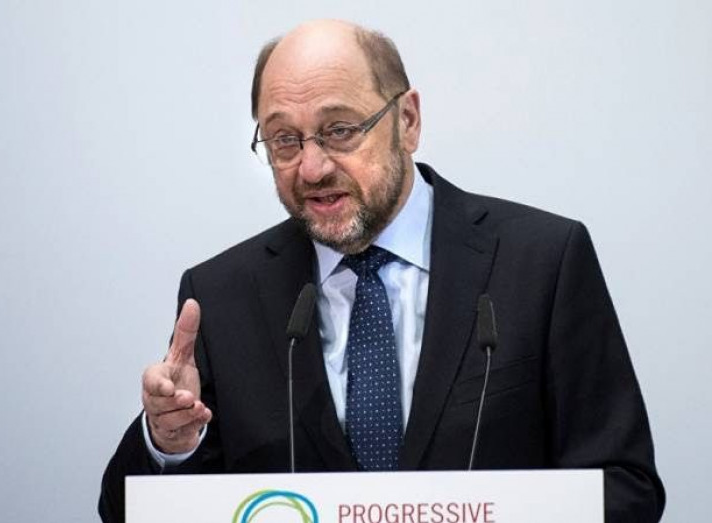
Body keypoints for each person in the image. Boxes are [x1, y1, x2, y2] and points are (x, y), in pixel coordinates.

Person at [99, 19, 664, 523]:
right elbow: (124, 512)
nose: (312, 168)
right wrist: (169, 442)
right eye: (284, 140)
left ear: (407, 121)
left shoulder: (542, 262)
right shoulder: (221, 296)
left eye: (340, 129)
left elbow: (624, 487)